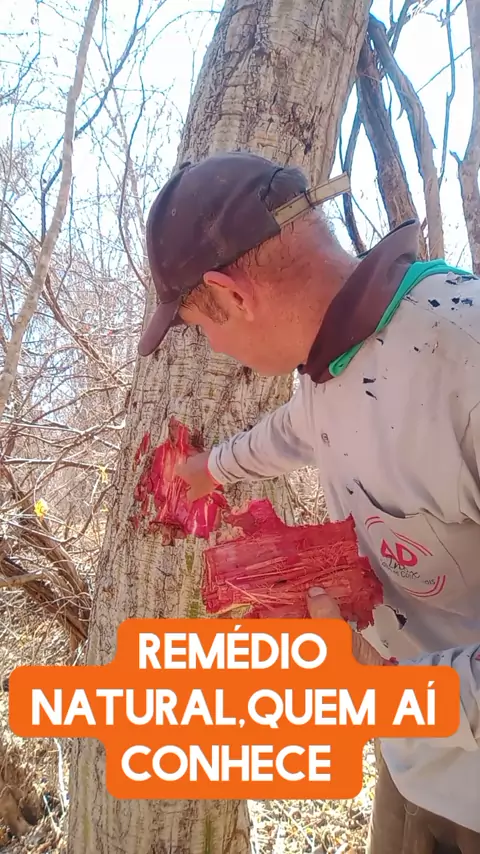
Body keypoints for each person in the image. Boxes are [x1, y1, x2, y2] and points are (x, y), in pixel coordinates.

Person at [138, 150, 480, 853]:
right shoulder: (334, 359)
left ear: (232, 294)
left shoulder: (461, 359)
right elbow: (298, 428)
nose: (215, 347)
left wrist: (381, 688)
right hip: (415, 762)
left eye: (203, 328)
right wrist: (208, 470)